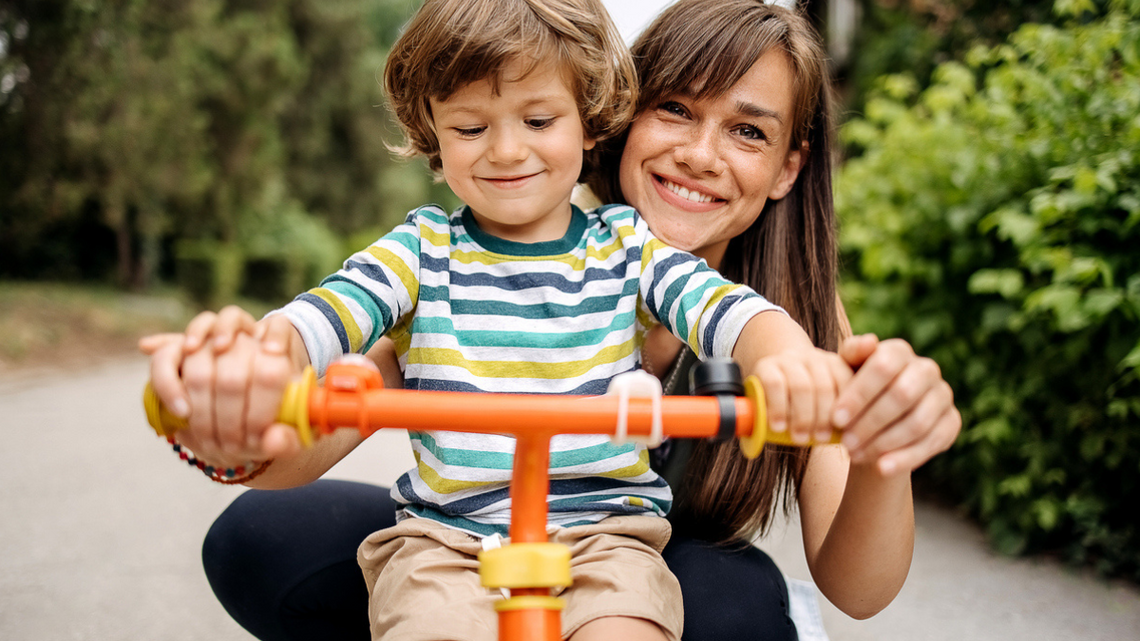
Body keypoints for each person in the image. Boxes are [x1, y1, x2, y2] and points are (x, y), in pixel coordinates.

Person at [144, 1, 961, 640]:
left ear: (788, 166)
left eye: (747, 129)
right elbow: (327, 359)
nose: (702, 154)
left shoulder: (714, 287)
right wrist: (240, 393)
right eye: (676, 109)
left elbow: (856, 582)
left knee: (731, 608)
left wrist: (858, 427)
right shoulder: (465, 254)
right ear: (620, 116)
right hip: (457, 531)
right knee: (268, 535)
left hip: (617, 541)